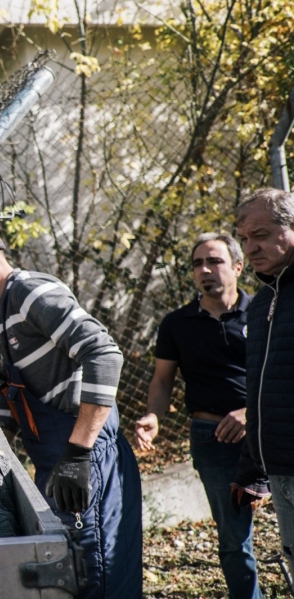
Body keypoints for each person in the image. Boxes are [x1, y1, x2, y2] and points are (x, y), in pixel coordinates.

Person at [0, 221, 141, 599]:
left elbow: (103, 353)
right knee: (65, 573)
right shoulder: (4, 313)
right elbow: (14, 390)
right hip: (54, 461)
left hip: (85, 459)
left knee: (95, 573)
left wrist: (79, 453)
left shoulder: (31, 292)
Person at [135, 233, 263, 599]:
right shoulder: (177, 323)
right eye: (197, 264)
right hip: (214, 438)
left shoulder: (265, 313)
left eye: (215, 261)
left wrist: (250, 413)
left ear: (238, 267)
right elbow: (162, 380)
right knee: (234, 539)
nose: (205, 270)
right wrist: (153, 417)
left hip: (272, 431)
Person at [233, 188, 294, 577]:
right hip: (280, 471)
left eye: (260, 235)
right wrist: (252, 468)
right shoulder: (260, 304)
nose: (249, 248)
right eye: (243, 239)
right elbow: (261, 393)